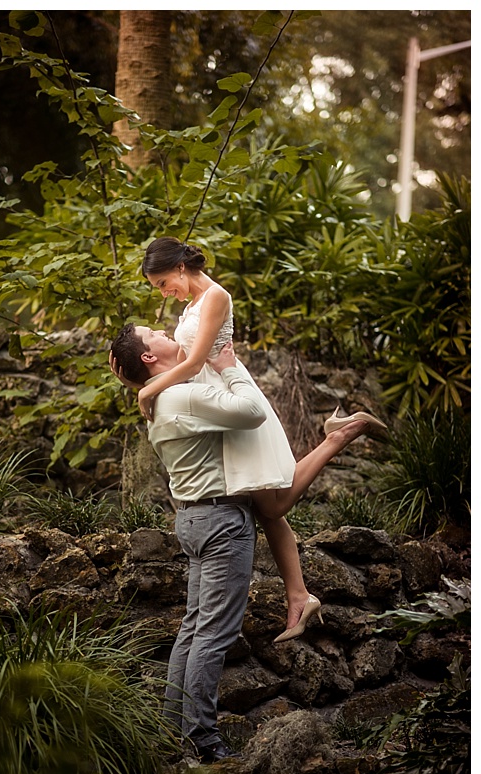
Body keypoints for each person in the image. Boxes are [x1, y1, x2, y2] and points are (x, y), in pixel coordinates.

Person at [109, 325, 368, 762]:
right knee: (213, 634)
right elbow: (251, 412)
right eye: (152, 333)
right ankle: (203, 740)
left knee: (193, 631)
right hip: (221, 520)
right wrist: (231, 369)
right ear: (150, 357)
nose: (161, 330)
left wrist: (137, 382)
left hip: (192, 518)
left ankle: (173, 731)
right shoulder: (178, 396)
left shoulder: (156, 399)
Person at [117, 237, 386, 642]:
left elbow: (192, 362)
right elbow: (185, 366)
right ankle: (299, 596)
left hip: (230, 398)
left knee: (273, 504)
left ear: (180, 267)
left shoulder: (215, 297)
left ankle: (339, 437)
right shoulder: (192, 303)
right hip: (214, 405)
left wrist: (144, 390)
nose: (164, 292)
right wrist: (134, 378)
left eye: (162, 283)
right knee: (269, 507)